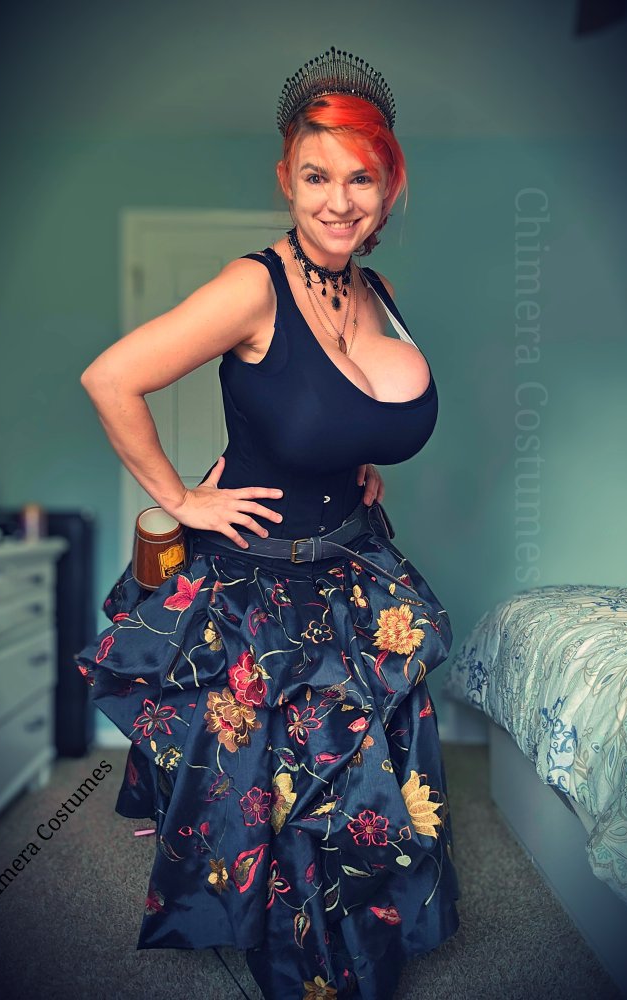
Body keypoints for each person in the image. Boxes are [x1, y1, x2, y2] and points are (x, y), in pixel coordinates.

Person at [75, 45, 461, 1000]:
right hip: (260, 590)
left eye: (360, 177)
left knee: (368, 793)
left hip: (357, 575)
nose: (339, 200)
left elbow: (344, 405)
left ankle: (360, 949)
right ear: (285, 178)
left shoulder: (379, 295)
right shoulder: (253, 286)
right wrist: (183, 499)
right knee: (282, 811)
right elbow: (111, 377)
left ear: (389, 185)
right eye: (316, 175)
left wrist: (357, 454)